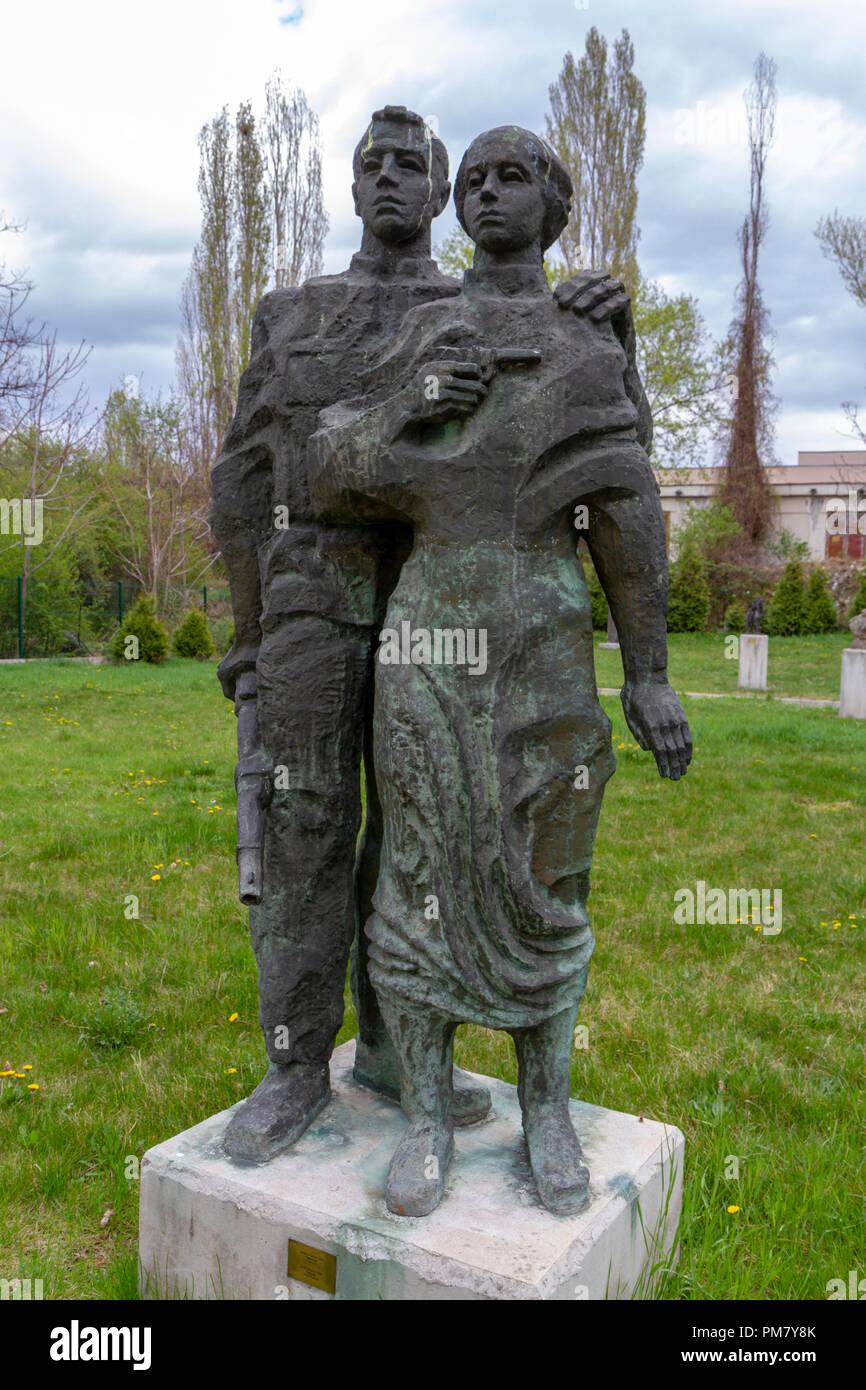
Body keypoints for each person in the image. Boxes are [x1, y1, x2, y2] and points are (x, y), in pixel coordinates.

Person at [308, 126, 692, 1216]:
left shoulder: (582, 340)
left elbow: (625, 507)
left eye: (507, 176)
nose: (482, 195)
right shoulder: (431, 328)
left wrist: (649, 674)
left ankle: (547, 1108)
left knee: (548, 869)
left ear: (555, 202)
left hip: (545, 634)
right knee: (422, 863)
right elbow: (330, 469)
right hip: (429, 636)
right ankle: (425, 1116)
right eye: (468, 181)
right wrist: (404, 404)